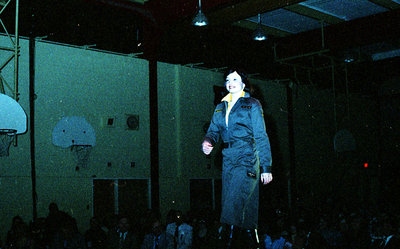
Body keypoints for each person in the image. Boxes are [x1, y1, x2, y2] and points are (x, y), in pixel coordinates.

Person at [202, 68, 273, 248]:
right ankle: (254, 242)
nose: (230, 82)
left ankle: (226, 241)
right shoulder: (220, 106)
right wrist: (208, 142)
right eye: (227, 79)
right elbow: (213, 131)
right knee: (246, 209)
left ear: (243, 83)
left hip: (248, 157)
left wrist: (266, 167)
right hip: (228, 159)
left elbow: (261, 136)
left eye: (235, 79)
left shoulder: (252, 104)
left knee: (231, 204)